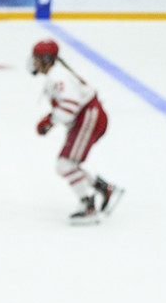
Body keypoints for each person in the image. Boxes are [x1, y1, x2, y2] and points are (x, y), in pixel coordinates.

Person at [30, 38, 122, 226]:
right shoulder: (56, 74)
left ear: (47, 59)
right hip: (88, 117)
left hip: (88, 117)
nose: (34, 62)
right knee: (67, 164)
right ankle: (105, 189)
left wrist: (49, 121)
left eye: (37, 58)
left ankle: (88, 206)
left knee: (65, 164)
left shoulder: (58, 76)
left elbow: (70, 106)